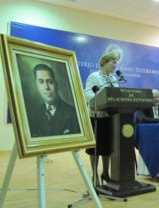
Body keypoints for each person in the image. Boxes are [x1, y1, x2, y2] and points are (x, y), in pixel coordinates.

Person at [84, 51, 120, 186]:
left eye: (116, 62)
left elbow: (117, 96)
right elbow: (87, 94)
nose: (115, 65)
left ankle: (106, 173)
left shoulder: (113, 79)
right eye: (113, 62)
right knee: (95, 148)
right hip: (96, 117)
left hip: (109, 117)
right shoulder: (94, 76)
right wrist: (101, 97)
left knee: (107, 147)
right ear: (104, 62)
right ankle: (95, 175)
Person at [28, 64, 80, 137]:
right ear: (37, 85)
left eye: (50, 82)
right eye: (41, 82)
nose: (46, 87)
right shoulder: (34, 114)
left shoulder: (73, 114)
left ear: (56, 84)